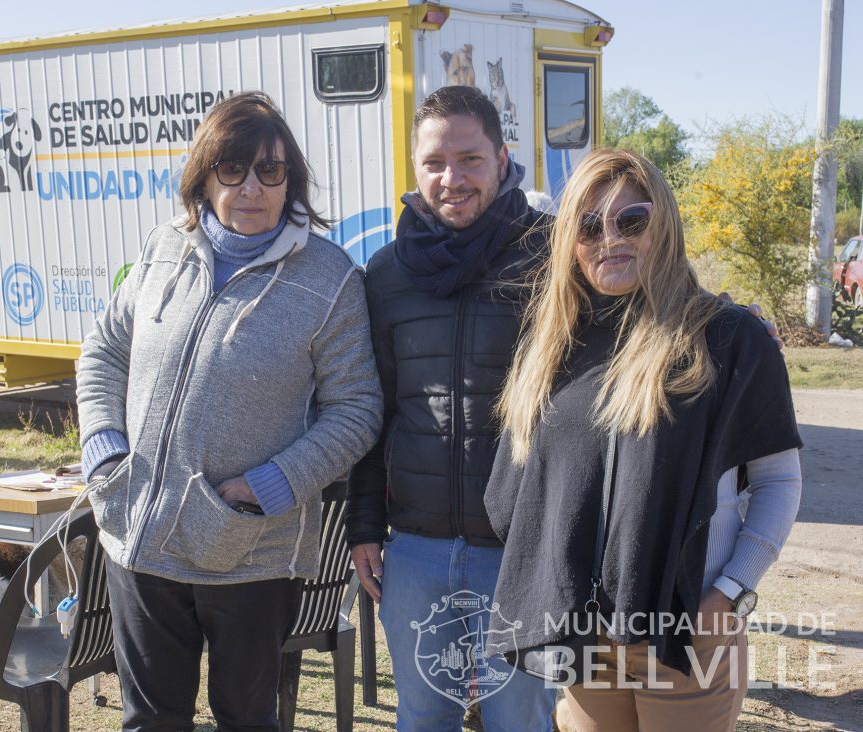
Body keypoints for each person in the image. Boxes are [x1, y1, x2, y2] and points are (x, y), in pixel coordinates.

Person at [75, 91, 383, 732]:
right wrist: (105, 446)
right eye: (232, 169)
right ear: (204, 176)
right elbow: (103, 350)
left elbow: (356, 410)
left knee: (246, 719)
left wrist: (269, 487)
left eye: (270, 172)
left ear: (289, 180)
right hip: (140, 537)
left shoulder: (329, 279)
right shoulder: (164, 249)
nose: (251, 188)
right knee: (152, 721)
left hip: (248, 546)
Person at [486, 148, 802, 731]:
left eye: (632, 219)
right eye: (588, 224)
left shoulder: (727, 338)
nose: (609, 237)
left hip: (686, 634)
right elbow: (515, 496)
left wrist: (730, 594)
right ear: (569, 243)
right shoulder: (552, 349)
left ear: (665, 225)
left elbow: (778, 480)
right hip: (583, 639)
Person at [346, 85, 559, 732]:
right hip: (414, 551)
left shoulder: (553, 258)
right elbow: (371, 407)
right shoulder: (385, 276)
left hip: (523, 550)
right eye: (435, 162)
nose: (452, 178)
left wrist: (732, 322)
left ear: (502, 156)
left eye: (469, 159)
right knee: (422, 721)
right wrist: (363, 527)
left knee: (519, 722)